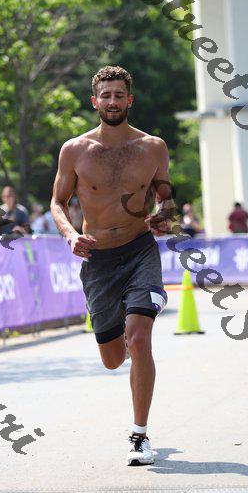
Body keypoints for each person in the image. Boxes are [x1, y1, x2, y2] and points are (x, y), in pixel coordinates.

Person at [50, 65, 172, 466]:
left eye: (120, 95)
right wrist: (71, 235)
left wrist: (164, 214)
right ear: (95, 101)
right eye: (106, 95)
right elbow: (58, 202)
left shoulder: (152, 147)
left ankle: (139, 435)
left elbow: (165, 195)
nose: (113, 101)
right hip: (98, 260)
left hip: (140, 251)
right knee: (113, 359)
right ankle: (122, 327)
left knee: (139, 337)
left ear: (130, 100)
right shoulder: (75, 150)